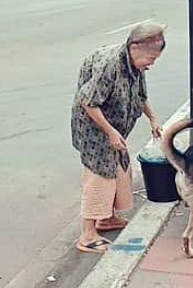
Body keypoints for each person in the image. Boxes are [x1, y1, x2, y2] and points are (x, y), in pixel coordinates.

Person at [71, 22, 166, 253]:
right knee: (99, 175)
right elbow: (88, 101)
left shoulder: (136, 66)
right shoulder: (110, 65)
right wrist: (110, 132)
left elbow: (141, 95)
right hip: (94, 128)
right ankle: (87, 234)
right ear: (135, 46)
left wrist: (153, 118)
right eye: (151, 58)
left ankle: (106, 218)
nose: (152, 63)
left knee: (120, 168)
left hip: (114, 126)